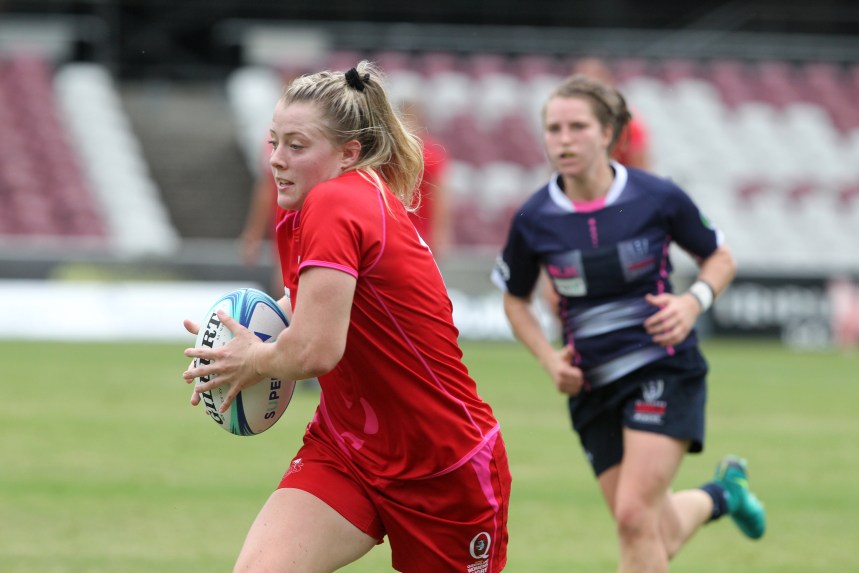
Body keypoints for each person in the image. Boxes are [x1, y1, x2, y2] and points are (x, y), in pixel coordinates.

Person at [183, 61, 510, 573]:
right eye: (273, 142)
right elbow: (310, 307)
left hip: (441, 466)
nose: (276, 160)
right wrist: (238, 345)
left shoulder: (336, 202)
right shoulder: (322, 202)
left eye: (296, 145)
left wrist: (256, 358)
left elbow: (315, 349)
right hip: (348, 449)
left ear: (348, 153)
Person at [491, 73, 765, 572]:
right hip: (591, 386)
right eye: (553, 128)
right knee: (650, 526)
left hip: (662, 368)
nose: (564, 139)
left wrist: (692, 302)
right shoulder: (534, 218)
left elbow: (720, 258)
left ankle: (724, 493)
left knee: (634, 519)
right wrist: (550, 359)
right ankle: (724, 494)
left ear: (608, 133)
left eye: (577, 127)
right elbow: (514, 300)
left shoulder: (655, 196)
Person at [399, 98, 453, 261]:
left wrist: (440, 232)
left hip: (423, 231)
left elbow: (440, 196)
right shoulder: (391, 153)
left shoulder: (431, 154)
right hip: (399, 230)